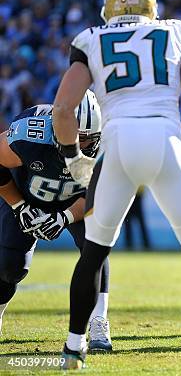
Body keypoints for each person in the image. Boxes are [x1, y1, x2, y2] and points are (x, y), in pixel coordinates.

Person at [51, 0, 181, 369]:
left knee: (93, 253)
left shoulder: (90, 38)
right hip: (164, 141)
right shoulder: (175, 32)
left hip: (118, 144)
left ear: (109, 11)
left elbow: (62, 109)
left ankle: (74, 348)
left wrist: (73, 155)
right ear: (151, 8)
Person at [0, 92, 112, 352]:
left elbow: (102, 196)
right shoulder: (30, 134)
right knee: (9, 267)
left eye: (84, 139)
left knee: (95, 242)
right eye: (70, 135)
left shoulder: (111, 145)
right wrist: (18, 205)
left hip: (76, 200)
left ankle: (98, 320)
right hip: (26, 194)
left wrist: (65, 217)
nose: (76, 144)